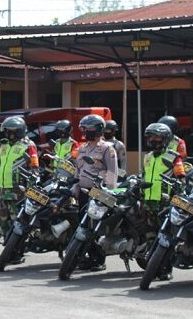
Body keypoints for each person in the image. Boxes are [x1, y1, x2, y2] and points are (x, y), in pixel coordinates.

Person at [73, 114, 118, 272]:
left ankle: (99, 259)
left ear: (98, 129)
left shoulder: (107, 148)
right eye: (84, 128)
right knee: (82, 225)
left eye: (89, 128)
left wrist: (109, 193)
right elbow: (78, 171)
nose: (86, 131)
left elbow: (112, 172)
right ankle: (88, 257)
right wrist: (75, 188)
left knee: (96, 228)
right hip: (84, 193)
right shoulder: (82, 148)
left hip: (99, 193)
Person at [0, 116, 39, 236]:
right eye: (7, 130)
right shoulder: (3, 145)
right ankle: (6, 249)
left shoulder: (28, 145)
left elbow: (34, 168)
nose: (8, 133)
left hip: (19, 190)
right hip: (4, 189)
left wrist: (30, 188)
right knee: (4, 221)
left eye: (11, 130)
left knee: (18, 221)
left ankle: (18, 249)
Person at [142, 123, 186, 212]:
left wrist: (177, 202)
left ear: (165, 138)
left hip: (165, 203)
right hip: (148, 201)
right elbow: (144, 175)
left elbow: (181, 180)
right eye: (150, 137)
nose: (152, 140)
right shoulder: (147, 157)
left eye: (156, 137)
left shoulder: (173, 156)